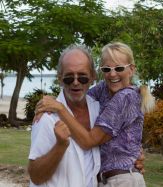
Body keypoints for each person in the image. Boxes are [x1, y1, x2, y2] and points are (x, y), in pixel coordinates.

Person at [35, 42, 155, 187]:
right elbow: (77, 93)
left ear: (131, 69)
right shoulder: (104, 89)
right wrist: (49, 102)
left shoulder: (127, 97)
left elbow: (89, 141)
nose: (112, 74)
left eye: (119, 68)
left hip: (122, 180)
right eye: (106, 69)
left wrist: (59, 108)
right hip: (107, 179)